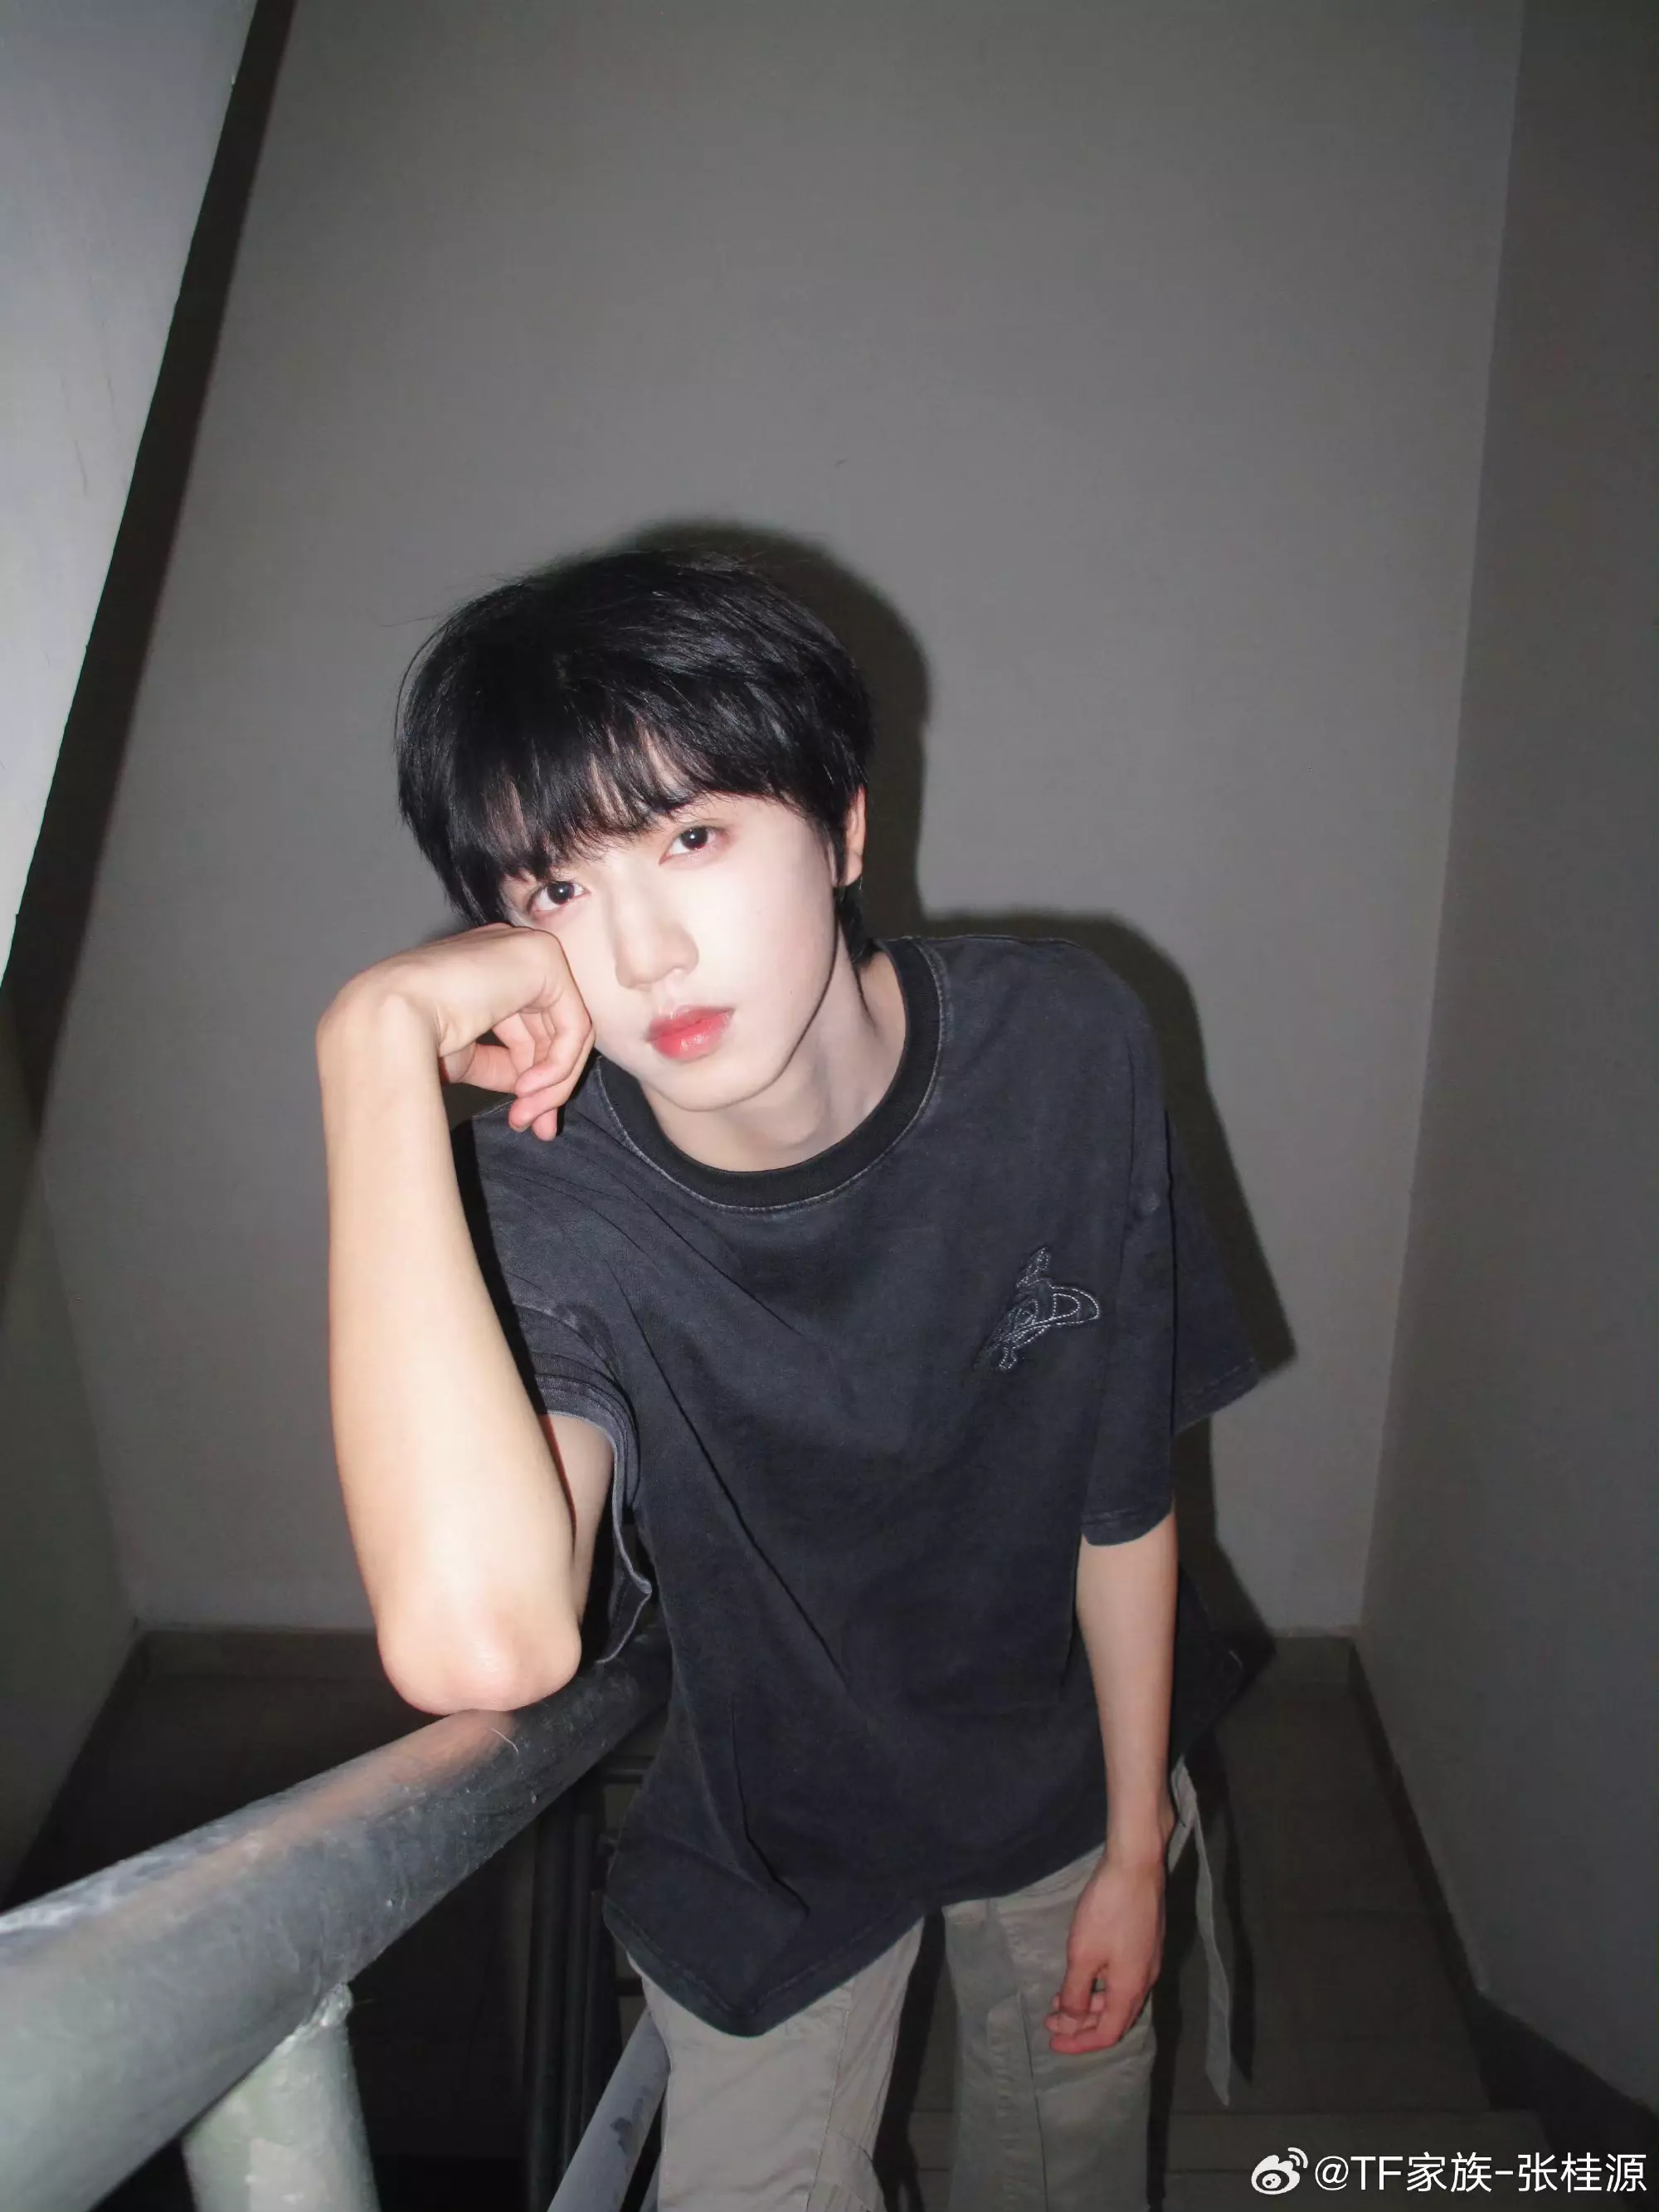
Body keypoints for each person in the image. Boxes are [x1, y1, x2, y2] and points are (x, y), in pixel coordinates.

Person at [315, 547, 1260, 2211]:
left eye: (692, 837)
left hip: (1060, 1785)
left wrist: (1135, 1848)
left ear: (843, 828)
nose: (644, 950)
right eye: (556, 888)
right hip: (771, 1832)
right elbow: (484, 1640)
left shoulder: (1062, 1045)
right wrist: (371, 1049)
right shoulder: (548, 1198)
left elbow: (1121, 1492)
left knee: (1072, 2164)